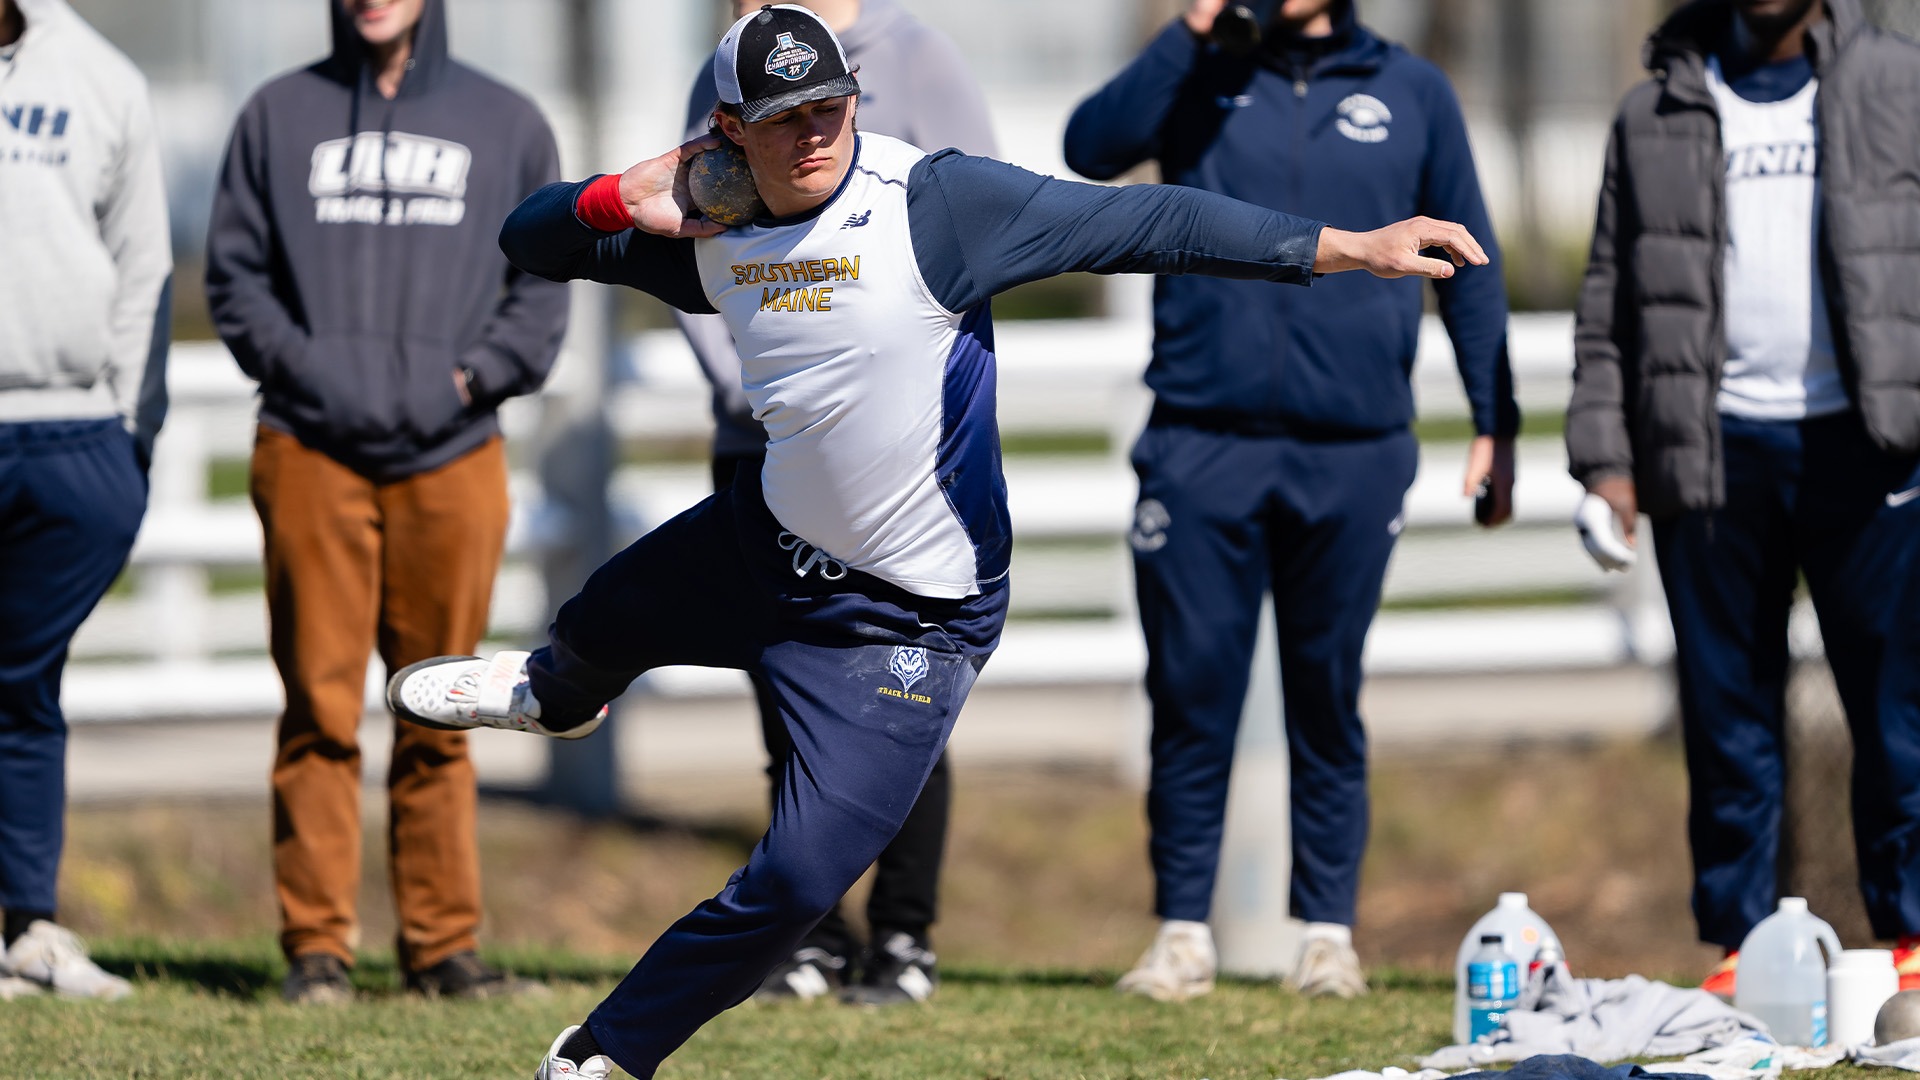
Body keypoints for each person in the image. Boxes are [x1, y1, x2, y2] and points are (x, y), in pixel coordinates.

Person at [385, 6, 1486, 1076]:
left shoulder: (938, 203)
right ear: (727, 133)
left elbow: (1155, 223)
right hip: (771, 540)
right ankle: (554, 692)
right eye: (785, 117)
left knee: (800, 881)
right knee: (606, 614)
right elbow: (527, 237)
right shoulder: (705, 236)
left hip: (909, 616)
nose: (817, 131)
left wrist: (1351, 247)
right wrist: (617, 194)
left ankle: (600, 1054)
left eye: (832, 106)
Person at [1062, 0, 1516, 1000]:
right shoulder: (1196, 71)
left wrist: (1498, 418)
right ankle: (1182, 932)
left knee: (1326, 693)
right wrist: (1190, 30)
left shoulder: (1413, 90)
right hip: (1199, 442)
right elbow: (1089, 146)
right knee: (1191, 693)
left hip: (1353, 451)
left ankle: (1328, 938)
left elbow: (1470, 265)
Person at [204, 0, 569, 1005]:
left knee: (440, 706)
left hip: (453, 457)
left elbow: (542, 290)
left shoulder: (509, 124)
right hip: (310, 451)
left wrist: (464, 382)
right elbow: (236, 280)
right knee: (318, 708)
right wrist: (317, 376)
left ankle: (443, 953)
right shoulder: (278, 116)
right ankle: (316, 951)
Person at [1568, 0, 1920, 997]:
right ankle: (1743, 957)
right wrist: (1605, 462)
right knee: (1728, 718)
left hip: (1870, 444)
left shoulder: (1900, 82)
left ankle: (1914, 948)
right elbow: (1607, 302)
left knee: (1899, 713)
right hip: (1711, 450)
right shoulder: (1652, 115)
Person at [674, 0, 997, 1007]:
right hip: (762, 436)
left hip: (889, 454)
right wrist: (748, 379)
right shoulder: (722, 70)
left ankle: (904, 936)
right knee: (787, 688)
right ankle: (807, 938)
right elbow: (695, 243)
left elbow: (984, 229)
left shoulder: (916, 57)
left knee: (901, 686)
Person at [0, 0, 169, 1002]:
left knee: (26, 689)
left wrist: (126, 441)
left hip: (72, 438)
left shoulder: (104, 80)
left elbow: (144, 268)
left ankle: (30, 929)